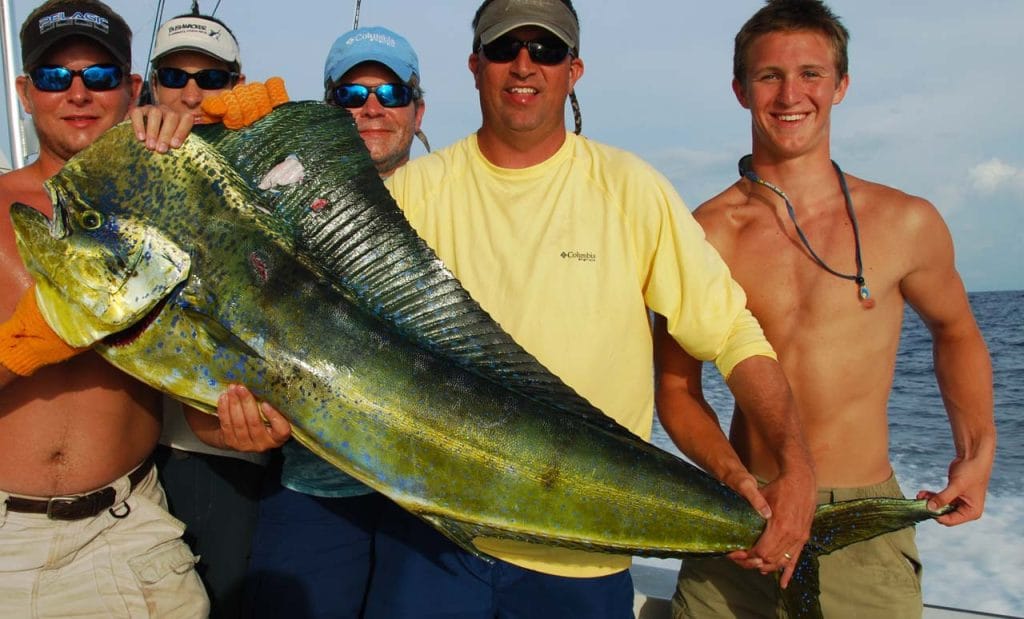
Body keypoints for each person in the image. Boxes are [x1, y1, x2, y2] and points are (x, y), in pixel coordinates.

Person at [335, 1, 815, 616]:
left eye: (547, 50)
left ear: (574, 70)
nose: (524, 65)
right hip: (434, 540)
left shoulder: (629, 186)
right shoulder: (409, 196)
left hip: (583, 551)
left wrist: (794, 469)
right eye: (506, 49)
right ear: (476, 66)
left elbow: (730, 333)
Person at [662, 1, 997, 617]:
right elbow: (675, 389)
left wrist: (977, 453)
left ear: (841, 85)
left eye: (811, 74)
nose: (791, 94)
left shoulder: (906, 222)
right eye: (769, 76)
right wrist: (735, 482)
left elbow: (956, 332)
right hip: (743, 517)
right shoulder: (703, 234)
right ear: (740, 89)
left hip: (861, 519)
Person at [0, 1, 209, 616]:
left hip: (129, 532)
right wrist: (21, 347)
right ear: (25, 91)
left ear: (134, 87)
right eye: (54, 77)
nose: (78, 93)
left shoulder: (175, 196)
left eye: (100, 76)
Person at [226, 26, 430, 619]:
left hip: (424, 498)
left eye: (390, 92)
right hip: (314, 486)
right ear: (328, 107)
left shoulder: (456, 195)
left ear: (419, 110)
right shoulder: (277, 196)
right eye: (351, 94)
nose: (371, 107)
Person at [144, 10, 267, 619]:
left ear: (237, 84)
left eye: (212, 79)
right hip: (155, 449)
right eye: (174, 75)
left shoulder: (258, 156)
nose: (191, 93)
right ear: (150, 85)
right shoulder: (133, 149)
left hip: (230, 451)